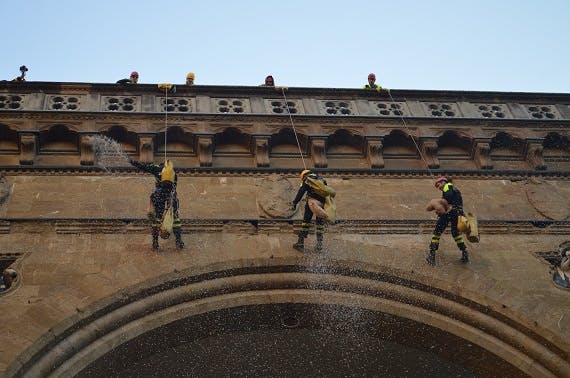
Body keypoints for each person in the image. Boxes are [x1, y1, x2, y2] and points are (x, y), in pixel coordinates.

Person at [128, 157, 184, 251]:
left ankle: (155, 241)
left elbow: (144, 167)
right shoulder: (174, 174)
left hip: (159, 196)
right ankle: (178, 240)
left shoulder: (157, 168)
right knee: (175, 217)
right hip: (171, 197)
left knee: (157, 217)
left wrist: (132, 161)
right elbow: (174, 188)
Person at [426, 176, 469, 266]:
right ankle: (464, 252)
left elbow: (448, 198)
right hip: (458, 213)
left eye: (438, 185)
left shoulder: (448, 186)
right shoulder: (455, 189)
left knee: (437, 232)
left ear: (443, 182)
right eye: (437, 186)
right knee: (455, 233)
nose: (439, 187)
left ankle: (432, 254)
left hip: (450, 212)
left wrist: (441, 207)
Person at [290, 170, 333, 253]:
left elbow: (301, 191)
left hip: (312, 202)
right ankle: (319, 244)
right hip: (321, 203)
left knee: (306, 221)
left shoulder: (307, 180)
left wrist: (295, 202)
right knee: (319, 223)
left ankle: (300, 242)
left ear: (304, 176)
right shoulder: (322, 179)